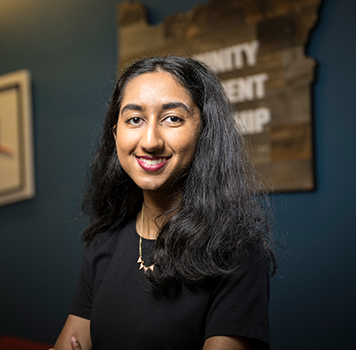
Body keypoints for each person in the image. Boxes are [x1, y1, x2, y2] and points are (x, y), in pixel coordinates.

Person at [51, 56, 276, 350]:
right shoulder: (103, 243)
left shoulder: (238, 252)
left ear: (204, 132)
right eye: (134, 119)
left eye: (172, 118)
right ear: (115, 133)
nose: (150, 141)